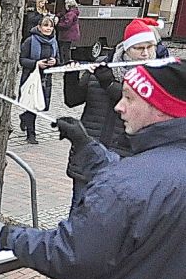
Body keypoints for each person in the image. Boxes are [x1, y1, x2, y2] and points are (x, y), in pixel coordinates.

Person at [0, 60, 186, 279]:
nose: (118, 106)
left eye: (129, 98)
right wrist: (88, 147)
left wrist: (13, 237)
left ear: (160, 109)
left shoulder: (126, 184)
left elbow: (71, 254)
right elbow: (143, 191)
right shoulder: (151, 172)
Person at [62, 17, 159, 206]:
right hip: (88, 156)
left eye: (150, 47)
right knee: (79, 214)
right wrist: (71, 75)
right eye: (139, 48)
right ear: (126, 49)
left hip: (124, 161)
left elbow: (135, 103)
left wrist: (107, 83)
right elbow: (72, 100)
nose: (146, 54)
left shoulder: (155, 79)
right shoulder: (103, 68)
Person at [19, 15, 62, 144]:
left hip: (46, 79)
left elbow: (59, 60)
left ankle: (24, 117)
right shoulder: (30, 41)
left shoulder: (54, 42)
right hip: (31, 77)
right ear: (39, 27)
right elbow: (22, 60)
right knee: (32, 106)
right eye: (45, 25)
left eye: (50, 26)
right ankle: (31, 134)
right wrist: (36, 64)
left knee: (40, 106)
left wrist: (55, 62)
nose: (48, 28)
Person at [55, 0, 80, 64]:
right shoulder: (73, 12)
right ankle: (65, 62)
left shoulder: (70, 14)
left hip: (67, 34)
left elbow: (66, 24)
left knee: (64, 49)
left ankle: (64, 62)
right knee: (66, 48)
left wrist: (57, 24)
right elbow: (62, 14)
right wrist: (58, 16)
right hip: (70, 34)